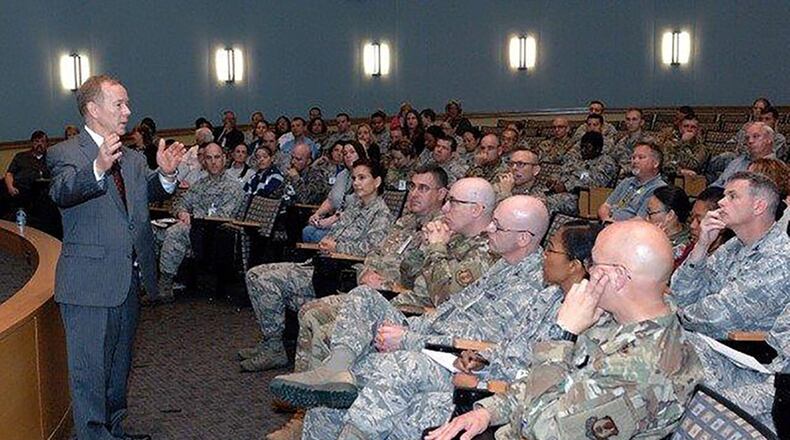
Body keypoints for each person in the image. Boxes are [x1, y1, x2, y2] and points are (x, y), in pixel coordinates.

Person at [300, 222, 600, 440]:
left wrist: (458, 355)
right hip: (474, 362)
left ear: (575, 265)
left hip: (493, 387)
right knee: (341, 389)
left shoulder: (579, 313)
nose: (543, 256)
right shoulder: (548, 294)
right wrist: (477, 356)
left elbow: (536, 374)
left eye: (551, 250)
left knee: (399, 367)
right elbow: (504, 344)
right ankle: (335, 374)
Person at [269, 195, 550, 412]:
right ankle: (334, 372)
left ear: (523, 238)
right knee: (363, 296)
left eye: (497, 225)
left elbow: (469, 325)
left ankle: (333, 387)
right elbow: (439, 299)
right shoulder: (503, 263)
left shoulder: (524, 280)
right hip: (423, 323)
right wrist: (410, 327)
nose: (491, 227)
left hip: (448, 354)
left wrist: (409, 338)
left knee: (347, 341)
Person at [427, 221, 702, 440]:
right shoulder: (617, 321)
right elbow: (544, 384)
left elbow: (543, 431)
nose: (588, 271)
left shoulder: (641, 367)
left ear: (617, 277)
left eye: (594, 264)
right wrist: (488, 412)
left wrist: (564, 334)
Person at [46, 74, 185, 440]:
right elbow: (63, 192)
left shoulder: (135, 158)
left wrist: (166, 177)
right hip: (88, 285)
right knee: (90, 372)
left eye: (127, 103)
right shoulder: (66, 153)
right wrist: (98, 168)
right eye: (119, 104)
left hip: (128, 281)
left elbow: (138, 198)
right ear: (93, 109)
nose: (128, 111)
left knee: (118, 369)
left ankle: (114, 430)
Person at [242, 159, 393, 371]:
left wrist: (337, 246)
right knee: (256, 273)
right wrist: (327, 243)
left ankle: (275, 347)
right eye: (354, 178)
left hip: (339, 273)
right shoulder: (353, 208)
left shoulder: (381, 214)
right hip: (319, 266)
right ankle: (272, 342)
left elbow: (373, 250)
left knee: (262, 278)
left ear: (377, 182)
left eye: (362, 177)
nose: (356, 183)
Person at [672, 171, 790, 338]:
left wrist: (670, 313)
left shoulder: (779, 258)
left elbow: (717, 316)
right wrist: (702, 246)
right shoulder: (734, 246)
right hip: (701, 339)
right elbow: (681, 294)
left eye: (732, 196)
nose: (721, 202)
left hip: (738, 355)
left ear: (758, 206)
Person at [156, 143, 245, 301]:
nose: (213, 162)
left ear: (224, 159)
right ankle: (149, 279)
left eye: (217, 157)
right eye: (209, 158)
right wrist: (182, 212)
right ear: (203, 161)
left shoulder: (233, 187)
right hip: (196, 231)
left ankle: (166, 283)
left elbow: (223, 217)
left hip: (216, 236)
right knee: (154, 231)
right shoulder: (200, 185)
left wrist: (194, 220)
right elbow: (179, 203)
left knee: (175, 232)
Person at [302, 141, 368, 243]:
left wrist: (331, 220)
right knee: (307, 231)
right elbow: (330, 200)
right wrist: (318, 214)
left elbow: (358, 208)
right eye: (345, 153)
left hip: (355, 224)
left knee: (318, 235)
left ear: (360, 154)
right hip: (337, 223)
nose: (348, 156)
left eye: (352, 152)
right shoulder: (342, 175)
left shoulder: (366, 176)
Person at [547, 131, 618, 215]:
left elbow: (595, 183)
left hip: (583, 198)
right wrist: (553, 180)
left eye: (588, 147)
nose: (583, 150)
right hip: (560, 193)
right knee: (534, 199)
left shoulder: (606, 162)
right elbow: (561, 171)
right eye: (582, 147)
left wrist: (566, 186)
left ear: (598, 149)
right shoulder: (578, 159)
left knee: (547, 204)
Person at [598, 141, 667, 221]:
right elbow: (605, 206)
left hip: (631, 230)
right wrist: (606, 220)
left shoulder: (659, 189)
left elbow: (641, 220)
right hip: (609, 225)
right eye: (633, 158)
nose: (635, 161)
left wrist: (615, 226)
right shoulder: (626, 182)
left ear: (655, 163)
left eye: (641, 157)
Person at [711, 122, 776, 188]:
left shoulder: (777, 168)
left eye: (756, 136)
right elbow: (717, 185)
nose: (750, 141)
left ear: (769, 139)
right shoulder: (735, 163)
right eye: (747, 138)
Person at [645, 185, 692, 267]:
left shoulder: (682, 249)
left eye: (650, 213)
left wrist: (655, 242)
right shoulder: (650, 232)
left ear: (670, 215)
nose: (646, 218)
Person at [4, 130, 50, 213]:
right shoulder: (21, 157)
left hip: (42, 194)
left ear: (47, 144)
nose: (39, 144)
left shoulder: (51, 158)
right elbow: (9, 173)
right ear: (32, 143)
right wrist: (10, 187)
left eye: (42, 141)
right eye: (36, 141)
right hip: (20, 191)